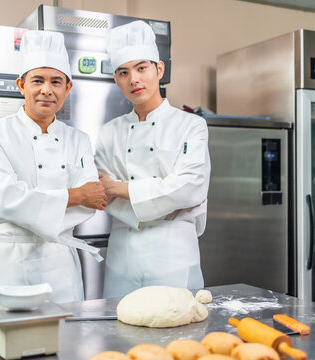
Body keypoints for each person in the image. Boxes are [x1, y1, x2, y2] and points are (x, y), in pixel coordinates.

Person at [0, 30, 107, 304]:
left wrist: (15, 206)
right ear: (21, 85)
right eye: (38, 80)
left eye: (56, 81)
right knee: (9, 344)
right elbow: (4, 198)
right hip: (10, 263)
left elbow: (91, 204)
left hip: (61, 264)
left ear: (67, 89)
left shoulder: (78, 139)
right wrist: (76, 195)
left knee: (67, 343)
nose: (47, 89)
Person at [95, 21, 211, 298]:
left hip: (174, 258)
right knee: (120, 335)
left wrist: (119, 189)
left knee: (179, 335)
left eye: (141, 68)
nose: (133, 79)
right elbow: (101, 193)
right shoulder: (109, 132)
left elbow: (190, 188)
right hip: (123, 259)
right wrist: (170, 199)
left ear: (159, 69)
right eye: (123, 72)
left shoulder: (191, 125)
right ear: (116, 79)